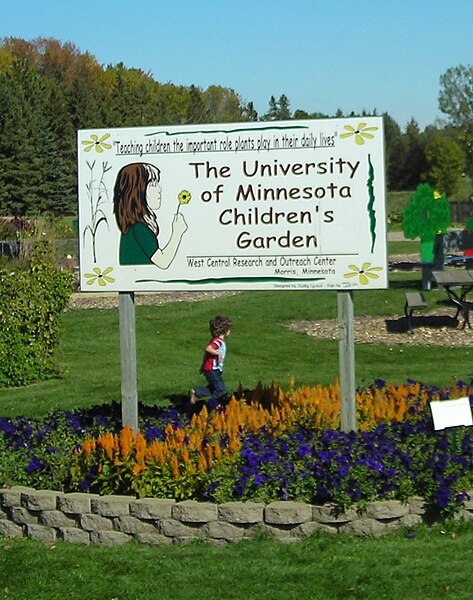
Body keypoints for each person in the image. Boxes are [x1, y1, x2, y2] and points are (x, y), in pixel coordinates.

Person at [113, 162, 187, 268]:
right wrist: (177, 233)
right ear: (137, 191)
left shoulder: (136, 226)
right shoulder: (139, 228)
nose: (159, 189)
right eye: (153, 185)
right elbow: (163, 262)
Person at [190, 315, 232, 408]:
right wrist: (218, 353)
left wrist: (202, 365)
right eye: (229, 329)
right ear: (224, 330)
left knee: (214, 388)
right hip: (212, 369)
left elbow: (207, 354)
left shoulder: (216, 340)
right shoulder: (218, 341)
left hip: (211, 369)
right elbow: (208, 349)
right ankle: (210, 406)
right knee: (221, 390)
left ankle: (196, 392)